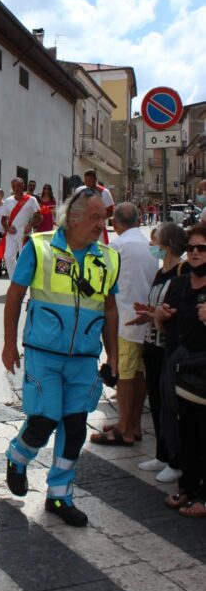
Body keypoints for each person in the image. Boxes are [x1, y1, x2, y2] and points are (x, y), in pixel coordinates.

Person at [3, 188, 120, 526]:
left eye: (104, 217)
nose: (102, 224)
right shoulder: (39, 247)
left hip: (84, 356)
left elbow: (110, 310)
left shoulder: (108, 258)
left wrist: (112, 355)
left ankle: (59, 495)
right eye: (95, 217)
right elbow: (14, 295)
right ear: (74, 218)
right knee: (44, 419)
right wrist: (9, 344)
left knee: (74, 425)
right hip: (44, 352)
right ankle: (18, 455)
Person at [90, 203, 156, 448]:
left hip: (126, 320)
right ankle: (133, 424)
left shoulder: (117, 246)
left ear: (115, 224)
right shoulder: (148, 244)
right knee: (138, 375)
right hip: (144, 320)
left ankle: (124, 429)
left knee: (126, 377)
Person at [128, 222, 187, 482]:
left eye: (156, 242)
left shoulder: (181, 272)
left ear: (168, 244)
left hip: (168, 347)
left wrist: (153, 315)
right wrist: (147, 315)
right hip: (152, 343)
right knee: (157, 402)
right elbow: (158, 307)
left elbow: (176, 313)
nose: (152, 246)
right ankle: (162, 455)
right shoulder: (161, 271)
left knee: (169, 405)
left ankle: (176, 460)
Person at [157, 222, 206, 517]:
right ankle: (188, 486)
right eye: (191, 248)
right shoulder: (178, 283)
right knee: (184, 433)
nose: (196, 254)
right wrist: (159, 316)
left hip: (203, 374)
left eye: (202, 248)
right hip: (178, 373)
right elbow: (164, 327)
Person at [1, 178, 41, 279]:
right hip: (12, 234)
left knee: (25, 259)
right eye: (14, 186)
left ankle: (24, 281)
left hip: (25, 235)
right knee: (8, 257)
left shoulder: (31, 200)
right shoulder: (8, 201)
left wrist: (30, 225)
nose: (17, 188)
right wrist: (8, 228)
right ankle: (14, 280)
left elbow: (39, 217)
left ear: (23, 186)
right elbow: (3, 219)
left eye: (19, 186)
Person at [82, 169, 114, 241]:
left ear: (95, 180)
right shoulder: (82, 191)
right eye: (86, 181)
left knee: (100, 250)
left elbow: (111, 211)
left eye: (90, 181)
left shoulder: (104, 192)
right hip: (85, 229)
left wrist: (98, 219)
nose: (87, 183)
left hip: (99, 230)